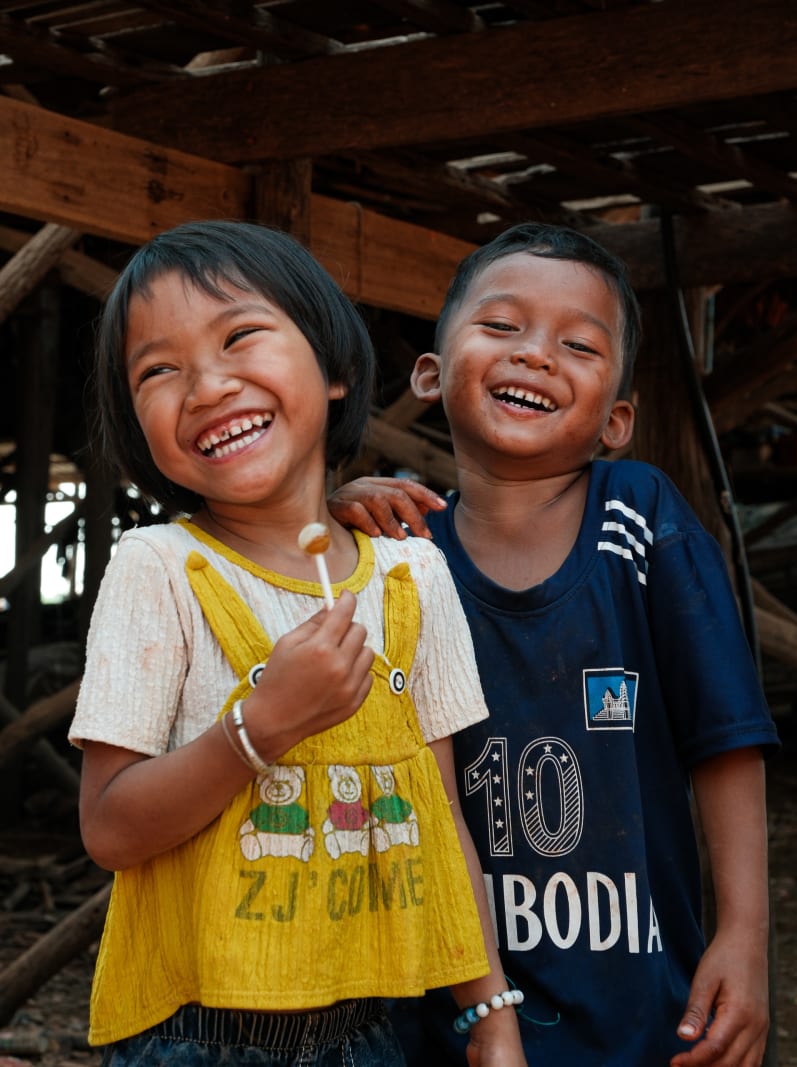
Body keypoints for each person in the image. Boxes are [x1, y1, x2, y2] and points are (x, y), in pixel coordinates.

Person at [68, 220, 527, 1067]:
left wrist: (490, 1011)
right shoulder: (159, 568)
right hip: (196, 1034)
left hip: (378, 1029)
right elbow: (108, 827)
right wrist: (260, 726)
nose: (205, 385)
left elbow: (440, 815)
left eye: (240, 334)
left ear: (336, 370)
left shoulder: (412, 580)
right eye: (158, 370)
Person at [329, 222, 780, 1067]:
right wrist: (325, 517)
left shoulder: (638, 517)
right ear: (428, 374)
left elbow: (724, 738)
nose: (535, 354)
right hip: (448, 1016)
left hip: (644, 1013)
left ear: (616, 419)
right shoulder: (398, 558)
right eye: (501, 327)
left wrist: (746, 935)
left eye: (577, 343)